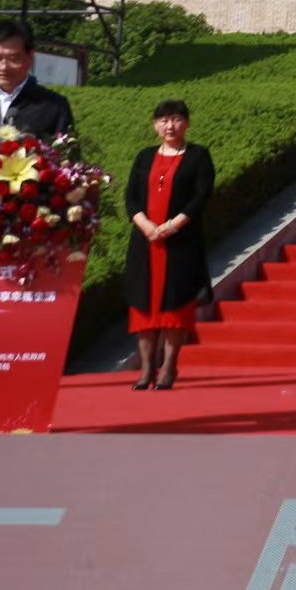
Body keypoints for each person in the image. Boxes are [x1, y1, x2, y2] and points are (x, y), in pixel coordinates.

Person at [124, 99, 214, 392]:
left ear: (186, 123)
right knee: (144, 306)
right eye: (163, 120)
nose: (169, 126)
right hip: (146, 242)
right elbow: (131, 197)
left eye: (176, 119)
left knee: (176, 307)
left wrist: (172, 225)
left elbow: (200, 197)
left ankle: (169, 366)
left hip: (181, 243)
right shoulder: (144, 156)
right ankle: (147, 367)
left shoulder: (198, 156)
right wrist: (147, 226)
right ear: (155, 125)